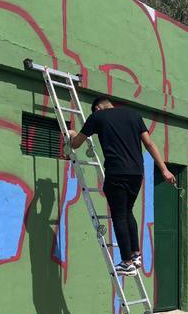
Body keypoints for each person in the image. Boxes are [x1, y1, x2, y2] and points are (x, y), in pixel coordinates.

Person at [69, 96, 176, 275]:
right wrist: (164, 170)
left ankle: (126, 262)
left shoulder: (97, 118)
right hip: (136, 173)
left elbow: (77, 143)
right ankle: (136, 255)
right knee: (128, 212)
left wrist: (72, 135)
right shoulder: (134, 115)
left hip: (116, 172)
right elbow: (149, 144)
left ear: (97, 109)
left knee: (119, 215)